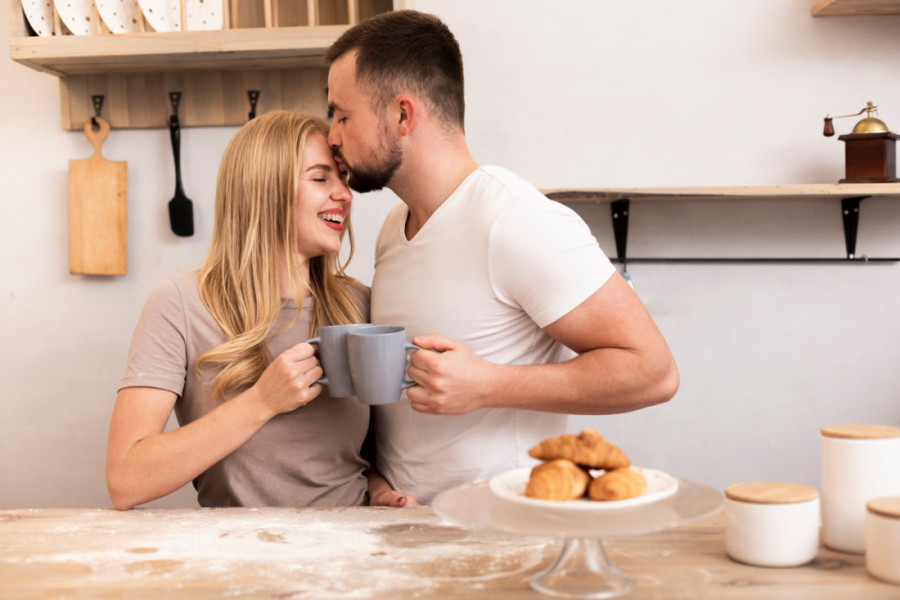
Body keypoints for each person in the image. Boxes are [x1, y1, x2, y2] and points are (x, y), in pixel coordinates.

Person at [325, 10, 680, 504]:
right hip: (408, 529)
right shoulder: (394, 228)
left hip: (503, 531)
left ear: (402, 116)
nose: (332, 135)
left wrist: (489, 384)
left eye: (342, 115)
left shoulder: (516, 220)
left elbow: (654, 372)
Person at [106, 111, 411, 509]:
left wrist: (379, 489)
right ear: (265, 189)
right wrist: (262, 401)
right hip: (238, 545)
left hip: (352, 539)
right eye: (321, 179)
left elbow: (365, 453)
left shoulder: (360, 303)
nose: (345, 195)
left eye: (342, 178)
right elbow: (126, 480)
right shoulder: (180, 304)